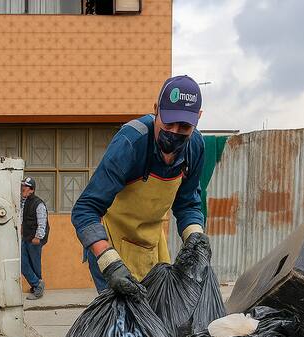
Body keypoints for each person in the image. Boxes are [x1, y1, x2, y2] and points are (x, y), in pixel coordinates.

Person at [71, 75, 208, 298]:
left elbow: (188, 204)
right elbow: (85, 210)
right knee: (123, 324)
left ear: (198, 119)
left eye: (183, 126)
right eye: (168, 122)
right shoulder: (131, 142)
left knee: (159, 318)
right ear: (156, 110)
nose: (174, 131)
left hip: (151, 244)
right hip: (111, 243)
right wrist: (109, 263)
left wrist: (195, 239)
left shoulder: (195, 147)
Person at [20, 177, 50, 299]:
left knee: (34, 264)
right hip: (26, 237)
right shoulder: (25, 201)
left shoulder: (39, 204)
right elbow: (23, 216)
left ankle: (37, 287)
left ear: (31, 190)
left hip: (35, 239)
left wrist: (38, 237)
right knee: (23, 262)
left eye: (25, 186)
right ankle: (37, 284)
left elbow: (42, 222)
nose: (22, 188)